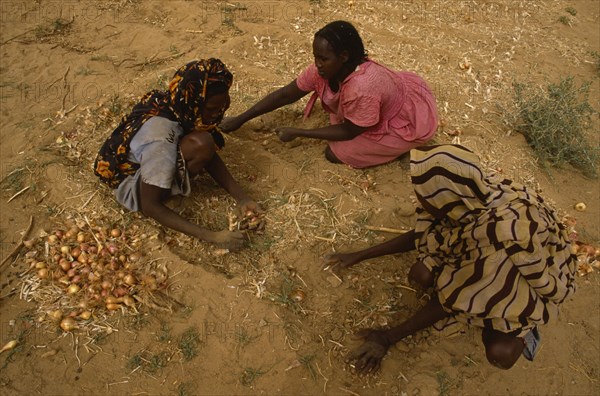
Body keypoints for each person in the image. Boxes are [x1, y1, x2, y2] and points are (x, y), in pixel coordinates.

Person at [323, 144, 576, 374]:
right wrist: (359, 255)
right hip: (496, 248)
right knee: (421, 274)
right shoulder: (469, 192)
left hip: (528, 275)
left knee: (500, 352)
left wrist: (388, 337)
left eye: (424, 194)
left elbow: (447, 303)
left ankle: (522, 330)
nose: (420, 198)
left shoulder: (492, 253)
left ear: (445, 197)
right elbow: (422, 233)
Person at [220, 20, 438, 168]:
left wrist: (299, 132)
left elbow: (350, 131)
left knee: (333, 154)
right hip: (377, 101)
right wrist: (241, 118)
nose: (317, 64)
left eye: (323, 58)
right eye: (316, 57)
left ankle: (396, 148)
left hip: (404, 121)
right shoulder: (323, 71)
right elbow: (287, 93)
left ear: (344, 56)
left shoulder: (362, 88)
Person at [94, 59, 260, 251]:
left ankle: (165, 183)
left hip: (153, 158)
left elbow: (209, 153)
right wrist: (213, 236)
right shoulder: (161, 138)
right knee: (201, 143)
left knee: (203, 142)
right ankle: (165, 192)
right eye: (213, 109)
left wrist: (243, 198)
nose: (219, 114)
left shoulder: (179, 104)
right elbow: (150, 206)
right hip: (134, 186)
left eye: (223, 106)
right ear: (195, 101)